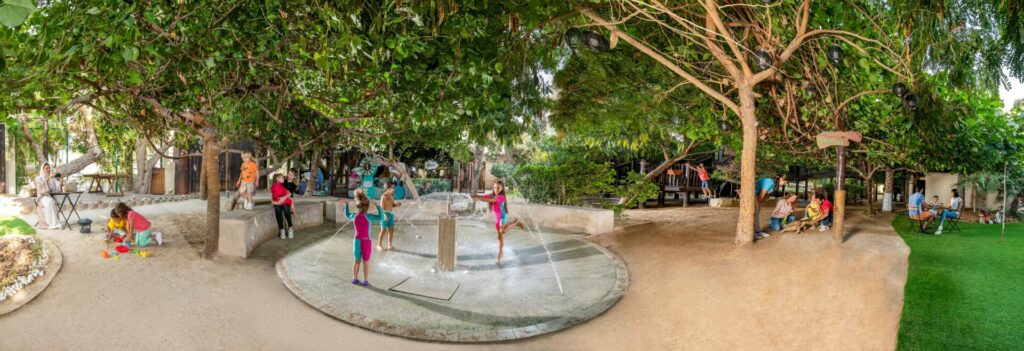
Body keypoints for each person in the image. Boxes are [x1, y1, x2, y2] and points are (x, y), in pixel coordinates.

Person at [472, 180, 525, 264]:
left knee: (502, 231)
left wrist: (478, 199)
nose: (496, 189)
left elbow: (491, 200)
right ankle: (500, 253)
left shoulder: (501, 197)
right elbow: (485, 197)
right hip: (497, 219)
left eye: (498, 188)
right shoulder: (492, 195)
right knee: (500, 236)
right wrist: (474, 196)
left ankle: (516, 222)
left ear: (502, 188)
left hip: (503, 217)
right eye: (495, 187)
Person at [344, 189, 383, 286]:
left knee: (357, 261)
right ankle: (365, 280)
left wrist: (346, 205)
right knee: (366, 261)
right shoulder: (369, 217)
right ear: (367, 207)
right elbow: (381, 218)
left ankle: (354, 278)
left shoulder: (354, 216)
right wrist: (378, 206)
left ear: (358, 207)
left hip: (357, 241)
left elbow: (347, 214)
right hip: (366, 242)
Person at [754, 174, 787, 240]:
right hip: (752, 194)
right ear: (780, 179)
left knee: (756, 214)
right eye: (785, 181)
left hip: (756, 196)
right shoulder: (771, 182)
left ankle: (758, 231)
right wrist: (758, 204)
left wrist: (759, 204)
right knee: (754, 214)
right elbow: (761, 195)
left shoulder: (774, 185)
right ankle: (754, 233)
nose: (785, 183)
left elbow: (765, 196)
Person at [34, 163, 63, 230]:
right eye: (46, 168)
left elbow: (58, 186)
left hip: (48, 196)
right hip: (41, 197)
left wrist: (62, 178)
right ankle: (50, 224)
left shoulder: (52, 178)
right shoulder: (39, 178)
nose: (48, 169)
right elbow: (40, 186)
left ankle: (56, 223)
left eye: (49, 168)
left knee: (52, 201)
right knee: (49, 202)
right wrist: (48, 178)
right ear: (43, 169)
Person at [376, 182, 402, 251]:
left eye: (393, 187)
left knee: (391, 229)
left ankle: (389, 244)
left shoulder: (391, 196)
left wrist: (396, 205)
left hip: (390, 214)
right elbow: (381, 208)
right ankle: (379, 245)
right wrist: (384, 215)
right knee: (383, 230)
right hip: (384, 215)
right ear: (387, 188)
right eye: (392, 187)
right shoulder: (384, 196)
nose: (393, 189)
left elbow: (392, 205)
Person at [270, 173, 295, 239]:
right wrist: (274, 202)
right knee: (277, 210)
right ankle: (282, 229)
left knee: (286, 209)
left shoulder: (284, 185)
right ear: (277, 179)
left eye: (283, 178)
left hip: (285, 200)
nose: (283, 179)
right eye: (281, 178)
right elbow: (273, 196)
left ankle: (290, 228)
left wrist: (284, 198)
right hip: (277, 202)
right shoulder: (273, 186)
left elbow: (289, 193)